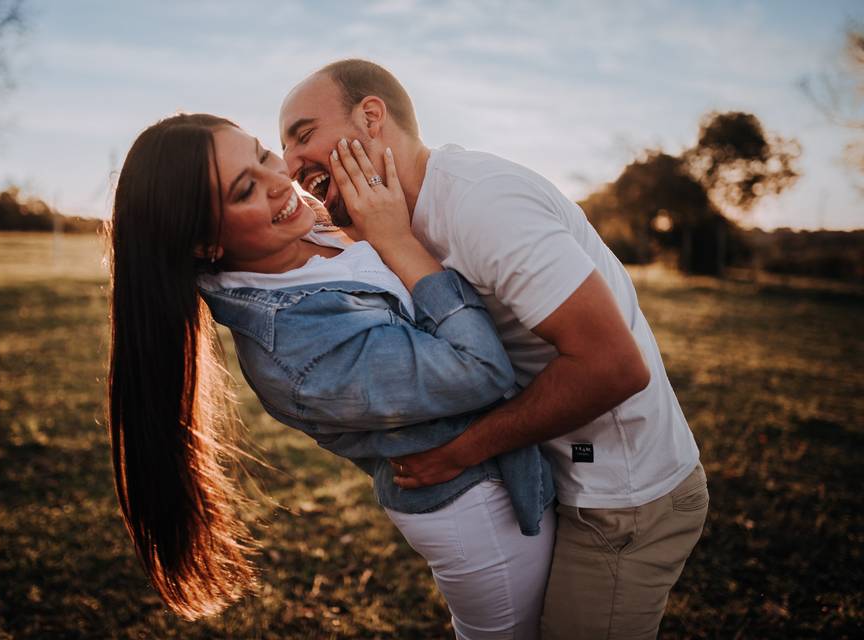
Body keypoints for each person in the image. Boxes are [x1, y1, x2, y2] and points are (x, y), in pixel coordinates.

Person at [280, 59, 709, 640]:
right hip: (561, 477)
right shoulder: (389, 221)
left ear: (372, 117)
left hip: (623, 494)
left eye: (303, 136)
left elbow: (612, 367)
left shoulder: (484, 204)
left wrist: (461, 452)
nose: (290, 165)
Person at [107, 113, 556, 638]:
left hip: (518, 469)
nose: (280, 181)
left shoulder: (310, 231)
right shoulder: (296, 350)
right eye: (247, 188)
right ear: (204, 243)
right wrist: (397, 242)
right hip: (480, 511)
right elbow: (480, 370)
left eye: (261, 154)